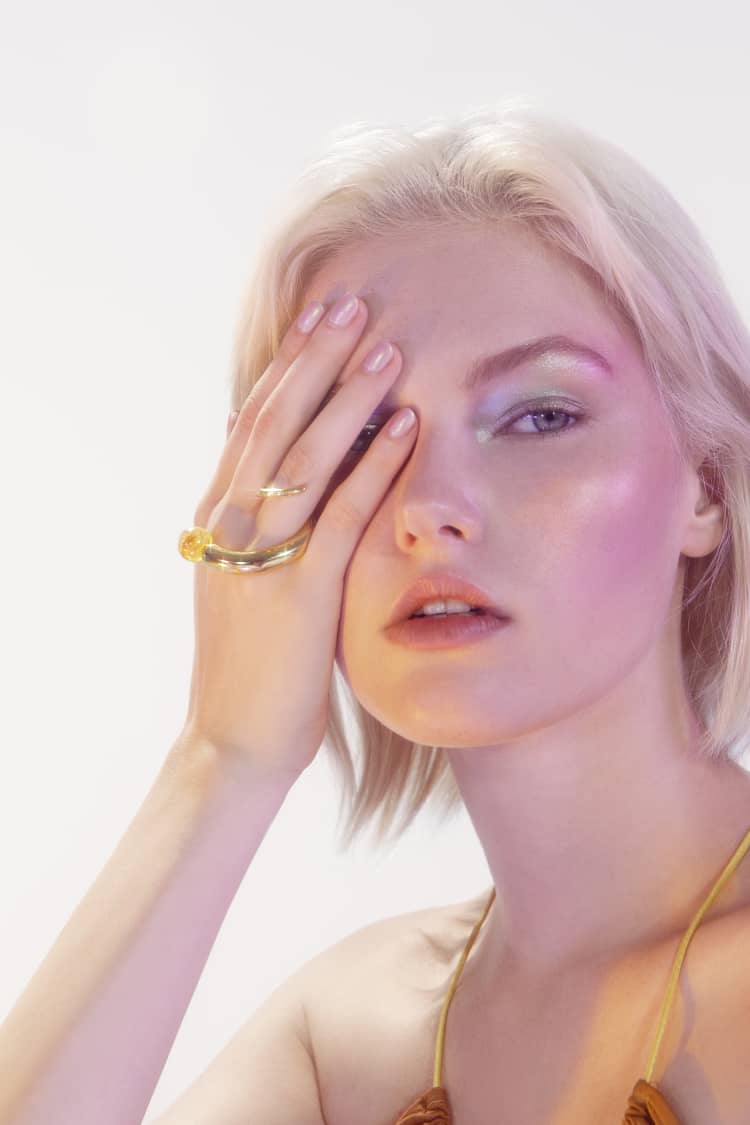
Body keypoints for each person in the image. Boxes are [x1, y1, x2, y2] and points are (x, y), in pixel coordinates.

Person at [2, 100, 750, 1125]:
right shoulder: (347, 1040)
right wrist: (222, 756)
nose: (428, 506)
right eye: (355, 438)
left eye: (540, 415)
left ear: (705, 486)